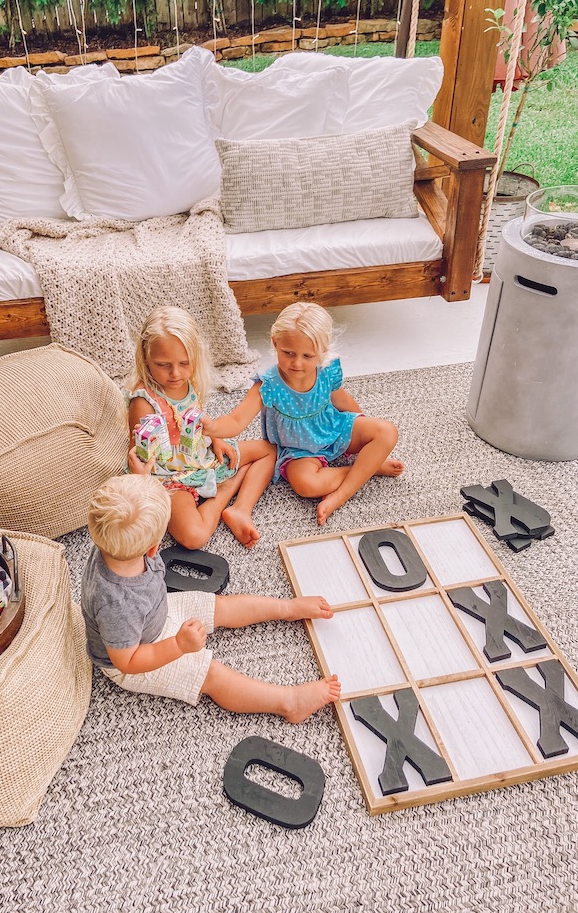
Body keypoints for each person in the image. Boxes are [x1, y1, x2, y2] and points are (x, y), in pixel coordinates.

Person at [82, 473, 341, 722]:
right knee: (212, 674)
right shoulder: (117, 605)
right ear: (153, 549)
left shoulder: (111, 535)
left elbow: (126, 510)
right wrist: (178, 646)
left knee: (221, 606)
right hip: (138, 655)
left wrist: (142, 479)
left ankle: (287, 609)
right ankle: (288, 702)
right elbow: (128, 662)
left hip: (156, 611)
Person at [201, 302, 403, 526]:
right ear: (275, 343)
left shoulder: (327, 368)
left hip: (334, 429)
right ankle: (366, 470)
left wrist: (366, 432)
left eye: (308, 356)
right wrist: (213, 428)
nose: (297, 363)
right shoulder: (269, 385)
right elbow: (236, 420)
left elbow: (342, 400)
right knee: (307, 485)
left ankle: (345, 488)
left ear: (322, 352)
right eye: (288, 353)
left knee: (386, 432)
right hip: (298, 450)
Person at [128, 306, 275, 550]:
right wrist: (142, 480)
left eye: (184, 363)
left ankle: (240, 509)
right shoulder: (143, 402)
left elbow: (196, 415)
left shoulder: (189, 382)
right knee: (194, 537)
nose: (175, 373)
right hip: (171, 475)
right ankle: (221, 499)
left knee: (269, 450)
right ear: (145, 358)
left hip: (201, 453)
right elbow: (138, 456)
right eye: (163, 364)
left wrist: (215, 438)